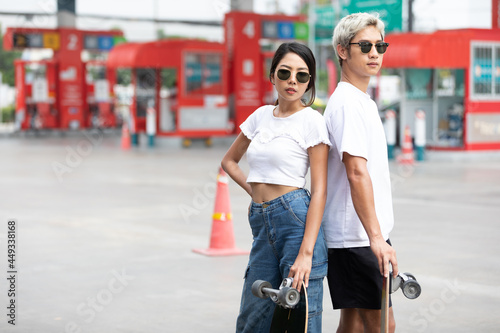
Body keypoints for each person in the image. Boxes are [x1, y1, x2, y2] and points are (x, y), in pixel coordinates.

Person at [221, 42, 330, 333]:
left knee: (299, 322)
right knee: (252, 318)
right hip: (260, 219)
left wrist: (306, 253)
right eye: (285, 72)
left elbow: (319, 190)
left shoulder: (312, 121)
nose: (293, 80)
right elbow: (230, 161)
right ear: (273, 76)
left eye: (302, 75)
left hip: (295, 221)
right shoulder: (259, 116)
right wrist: (254, 192)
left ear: (309, 81)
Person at [323, 12, 399, 333]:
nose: (374, 53)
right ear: (343, 50)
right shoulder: (347, 104)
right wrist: (377, 239)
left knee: (352, 325)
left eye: (380, 46)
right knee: (382, 327)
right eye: (365, 45)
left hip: (361, 235)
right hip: (358, 238)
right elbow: (356, 172)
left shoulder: (361, 101)